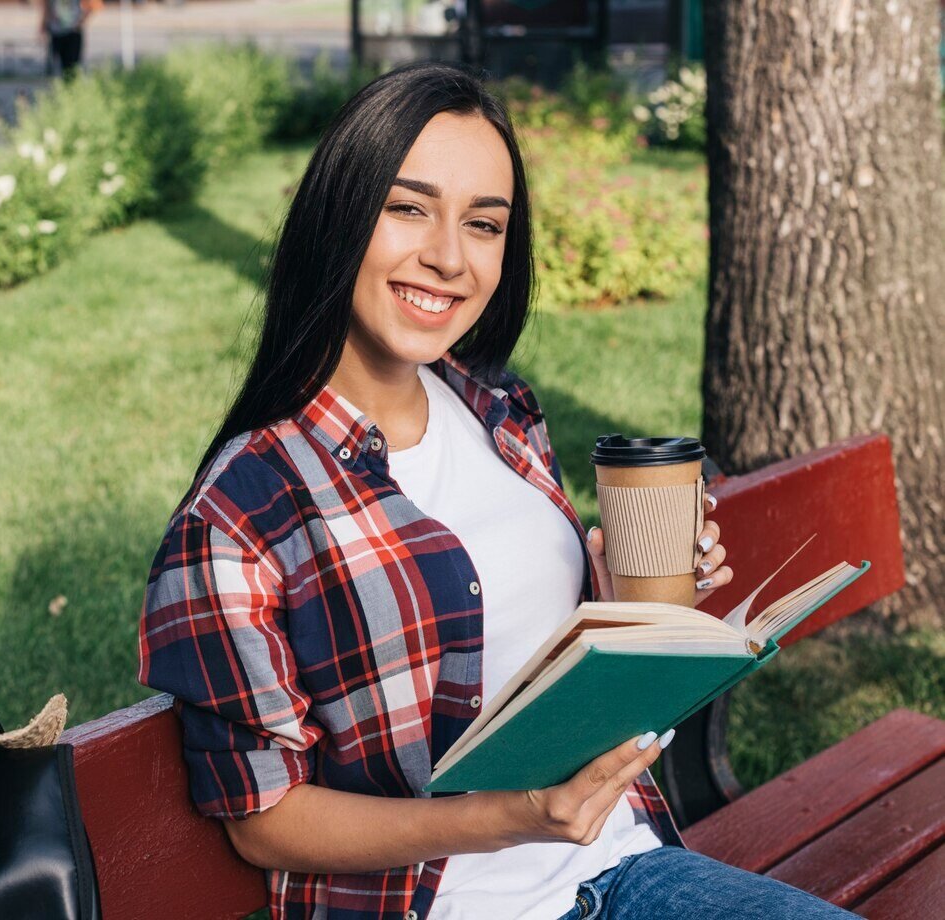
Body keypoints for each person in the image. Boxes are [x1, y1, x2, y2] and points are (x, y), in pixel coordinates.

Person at [137, 62, 858, 920]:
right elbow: (263, 822)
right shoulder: (241, 513)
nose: (448, 257)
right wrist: (508, 820)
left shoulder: (497, 406)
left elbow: (540, 665)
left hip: (627, 867)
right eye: (408, 208)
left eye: (483, 224)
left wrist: (639, 600)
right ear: (338, 214)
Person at [39, 0, 99, 77]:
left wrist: (81, 22)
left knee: (72, 68)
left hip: (73, 32)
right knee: (55, 68)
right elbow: (45, 7)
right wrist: (42, 26)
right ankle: (60, 87)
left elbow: (92, 4)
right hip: (55, 32)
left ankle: (69, 87)